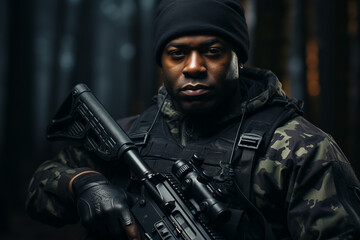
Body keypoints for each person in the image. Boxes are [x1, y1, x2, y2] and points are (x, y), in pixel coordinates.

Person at [26, 0, 360, 239]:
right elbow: (40, 192)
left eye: (213, 51)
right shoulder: (129, 135)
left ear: (237, 59)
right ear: (163, 62)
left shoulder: (302, 150)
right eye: (177, 53)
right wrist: (84, 185)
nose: (194, 66)